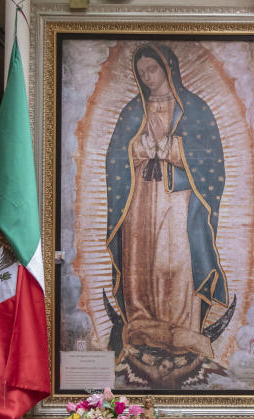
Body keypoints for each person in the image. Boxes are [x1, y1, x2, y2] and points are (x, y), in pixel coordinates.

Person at [105, 44, 228, 361]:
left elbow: (210, 161)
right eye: (142, 72)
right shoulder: (134, 110)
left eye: (152, 70)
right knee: (140, 261)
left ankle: (182, 328)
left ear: (168, 68)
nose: (147, 77)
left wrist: (171, 148)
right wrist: (138, 149)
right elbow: (116, 156)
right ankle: (142, 323)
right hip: (140, 198)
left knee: (172, 261)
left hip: (177, 199)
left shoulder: (194, 109)